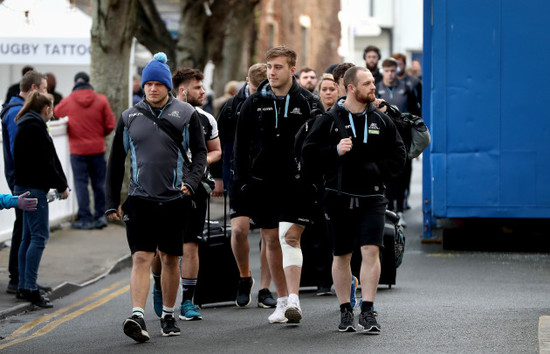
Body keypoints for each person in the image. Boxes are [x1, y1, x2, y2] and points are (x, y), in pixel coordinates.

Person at [105, 53, 207, 342]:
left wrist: (190, 182)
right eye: (147, 84)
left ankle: (168, 315)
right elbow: (115, 161)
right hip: (140, 199)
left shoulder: (186, 114)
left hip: (175, 199)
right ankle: (137, 314)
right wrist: (111, 201)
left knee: (170, 259)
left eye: (157, 84)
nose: (151, 89)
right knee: (141, 257)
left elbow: (200, 153)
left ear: (167, 86)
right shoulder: (129, 117)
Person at [302, 66, 406, 334]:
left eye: (374, 82)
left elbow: (398, 154)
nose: (374, 87)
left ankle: (368, 310)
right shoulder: (329, 119)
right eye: (368, 83)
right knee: (342, 254)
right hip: (339, 198)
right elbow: (308, 154)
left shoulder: (381, 120)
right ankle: (346, 310)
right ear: (351, 88)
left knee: (371, 250)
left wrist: (378, 174)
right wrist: (334, 151)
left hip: (373, 197)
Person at [234, 46, 324, 324]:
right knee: (271, 239)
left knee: (290, 236)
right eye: (269, 67)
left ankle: (295, 299)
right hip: (262, 183)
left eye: (278, 67)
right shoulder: (252, 103)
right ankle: (282, 300)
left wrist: (315, 181)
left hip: (298, 182)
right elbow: (240, 148)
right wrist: (242, 182)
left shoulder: (309, 102)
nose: (272, 72)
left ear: (292, 70)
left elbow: (320, 145)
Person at [150, 67, 222, 321]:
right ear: (182, 90)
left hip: (195, 189)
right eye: (197, 87)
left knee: (191, 244)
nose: (203, 92)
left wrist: (200, 164)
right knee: (161, 248)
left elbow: (216, 150)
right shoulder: (158, 115)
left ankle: (188, 302)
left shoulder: (206, 119)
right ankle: (159, 287)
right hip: (163, 188)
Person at [216, 63, 277, 309]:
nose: (258, 93)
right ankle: (244, 277)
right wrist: (217, 177)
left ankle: (265, 288)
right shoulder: (231, 108)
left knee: (269, 235)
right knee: (239, 230)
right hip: (239, 176)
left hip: (269, 177)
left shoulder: (275, 102)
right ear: (246, 82)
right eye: (254, 88)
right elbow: (217, 144)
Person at [13, 91, 71, 308]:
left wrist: (61, 182)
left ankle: (23, 285)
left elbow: (48, 159)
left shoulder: (24, 124)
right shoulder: (36, 127)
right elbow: (47, 162)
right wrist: (62, 185)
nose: (52, 112)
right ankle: (29, 288)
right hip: (34, 190)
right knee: (39, 237)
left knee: (27, 237)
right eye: (52, 108)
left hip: (22, 187)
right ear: (46, 109)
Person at [1, 70, 50, 295]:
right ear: (33, 89)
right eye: (44, 89)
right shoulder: (16, 113)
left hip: (20, 179)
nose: (46, 94)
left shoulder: (17, 110)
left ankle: (24, 279)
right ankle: (19, 279)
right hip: (23, 181)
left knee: (27, 231)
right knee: (25, 231)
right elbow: (18, 150)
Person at [54, 72, 116, 230]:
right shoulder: (100, 99)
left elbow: (56, 112)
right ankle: (101, 216)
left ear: (75, 83)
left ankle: (85, 218)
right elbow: (110, 123)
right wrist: (99, 135)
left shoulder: (69, 100)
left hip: (77, 150)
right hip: (97, 148)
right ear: (89, 83)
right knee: (99, 183)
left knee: (81, 184)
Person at [376, 58, 421, 226]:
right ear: (383, 71)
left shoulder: (407, 89)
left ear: (397, 71)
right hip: (383, 142)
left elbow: (415, 114)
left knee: (402, 176)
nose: (390, 74)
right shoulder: (377, 89)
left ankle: (400, 210)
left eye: (392, 70)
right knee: (387, 177)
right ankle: (389, 209)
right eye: (387, 71)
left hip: (403, 140)